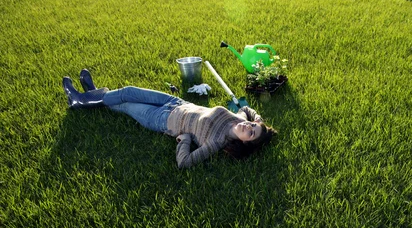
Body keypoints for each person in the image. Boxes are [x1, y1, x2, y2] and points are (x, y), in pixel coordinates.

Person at [61, 69, 276, 169]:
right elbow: (249, 110)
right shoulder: (237, 117)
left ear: (243, 142)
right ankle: (93, 94)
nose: (248, 126)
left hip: (162, 120)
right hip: (176, 102)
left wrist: (185, 141)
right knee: (128, 90)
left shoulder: (216, 142)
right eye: (252, 126)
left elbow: (184, 163)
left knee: (126, 105)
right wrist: (261, 124)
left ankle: (83, 100)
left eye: (250, 133)